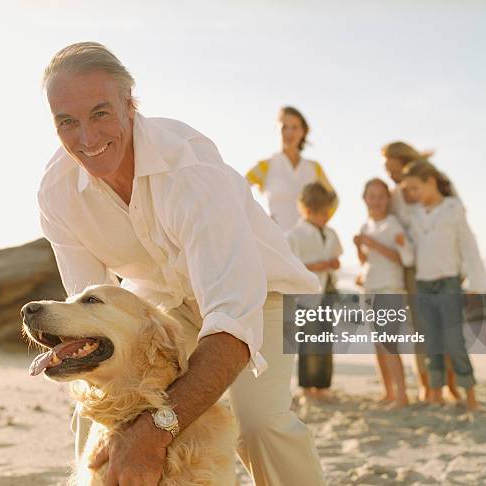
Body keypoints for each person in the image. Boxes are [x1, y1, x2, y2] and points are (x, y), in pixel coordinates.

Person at [38, 42, 327, 485]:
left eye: (100, 113)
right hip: (161, 304)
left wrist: (157, 429)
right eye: (67, 122)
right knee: (93, 422)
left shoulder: (187, 167)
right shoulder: (57, 193)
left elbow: (230, 318)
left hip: (257, 295)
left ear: (130, 104)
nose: (87, 139)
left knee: (259, 424)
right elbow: (92, 323)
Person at [402, 159, 486, 411]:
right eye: (409, 190)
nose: (412, 194)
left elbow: (469, 247)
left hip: (448, 284)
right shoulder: (414, 215)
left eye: (415, 188)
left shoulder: (453, 208)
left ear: (431, 181)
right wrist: (400, 244)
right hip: (423, 285)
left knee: (454, 340)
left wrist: (477, 284)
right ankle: (435, 395)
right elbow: (411, 256)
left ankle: (471, 396)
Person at [381, 141, 462, 403]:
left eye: (394, 171)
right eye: (388, 172)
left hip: (440, 264)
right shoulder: (395, 196)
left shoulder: (435, 184)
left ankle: (450, 385)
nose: (391, 177)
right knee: (420, 329)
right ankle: (427, 386)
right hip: (410, 269)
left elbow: (456, 223)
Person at [354, 178, 414, 409]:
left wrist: (373, 244)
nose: (376, 201)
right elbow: (366, 261)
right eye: (372, 196)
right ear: (365, 199)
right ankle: (388, 392)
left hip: (389, 289)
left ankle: (402, 396)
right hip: (369, 288)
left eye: (381, 196)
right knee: (377, 344)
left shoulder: (393, 224)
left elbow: (405, 259)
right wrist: (360, 246)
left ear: (388, 199)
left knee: (389, 343)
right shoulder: (366, 225)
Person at [286, 182, 342, 400]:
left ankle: (323, 386)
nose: (326, 217)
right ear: (307, 210)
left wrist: (333, 265)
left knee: (325, 339)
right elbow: (292, 265)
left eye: (328, 213)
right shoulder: (295, 235)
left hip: (327, 290)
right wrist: (317, 265)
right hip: (306, 296)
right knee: (308, 341)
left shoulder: (331, 233)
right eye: (321, 213)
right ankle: (308, 388)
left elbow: (336, 257)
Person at [246, 106, 338, 232]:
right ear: (277, 130)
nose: (289, 133)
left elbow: (334, 198)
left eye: (294, 127)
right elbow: (238, 188)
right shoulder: (265, 166)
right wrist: (258, 220)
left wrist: (320, 221)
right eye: (284, 127)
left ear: (303, 131)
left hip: (308, 243)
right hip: (276, 241)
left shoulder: (314, 168)